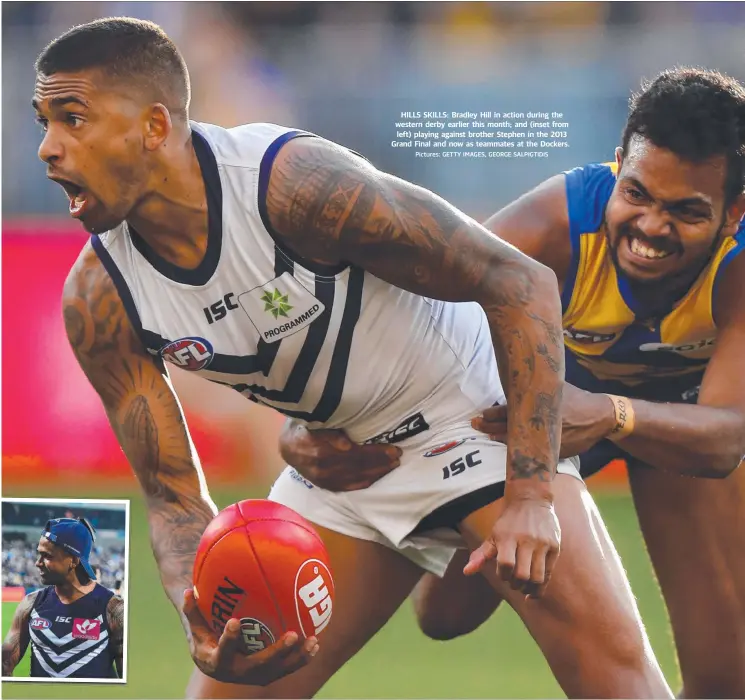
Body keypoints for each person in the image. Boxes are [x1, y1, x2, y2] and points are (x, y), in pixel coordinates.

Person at [34, 17, 671, 699]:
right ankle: (450, 574)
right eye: (43, 121)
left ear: (155, 127)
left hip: (468, 418)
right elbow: (171, 498)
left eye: (73, 119)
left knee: (617, 685)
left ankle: (470, 552)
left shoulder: (291, 185)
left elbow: (520, 283)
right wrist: (203, 613)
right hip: (342, 463)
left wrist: (531, 492)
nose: (47, 149)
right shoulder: (98, 300)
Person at [282, 67, 745, 698]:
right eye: (636, 194)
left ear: (735, 211)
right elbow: (409, 318)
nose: (652, 228)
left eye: (687, 212)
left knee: (726, 675)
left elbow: (725, 438)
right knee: (442, 618)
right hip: (533, 403)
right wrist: (299, 425)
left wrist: (609, 414)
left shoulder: (739, 266)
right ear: (616, 167)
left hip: (674, 427)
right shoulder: (556, 222)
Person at [1, 518, 124, 679]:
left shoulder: (113, 609)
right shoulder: (30, 604)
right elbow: (4, 665)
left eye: (47, 556)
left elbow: (129, 681)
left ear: (73, 561)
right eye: (39, 554)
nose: (38, 563)